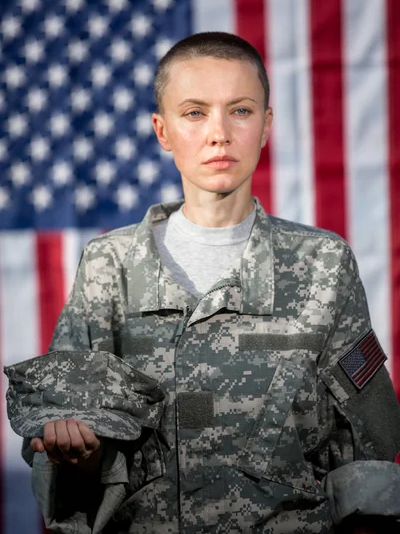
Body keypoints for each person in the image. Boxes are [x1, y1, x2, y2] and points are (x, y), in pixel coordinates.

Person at [6, 32, 400, 533]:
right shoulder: (110, 267)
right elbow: (65, 450)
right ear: (162, 129)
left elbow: (370, 446)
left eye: (240, 110)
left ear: (266, 126)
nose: (219, 133)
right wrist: (77, 457)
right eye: (194, 112)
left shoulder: (323, 264)